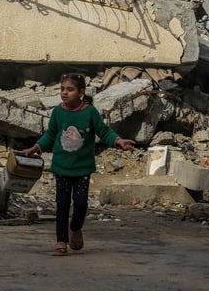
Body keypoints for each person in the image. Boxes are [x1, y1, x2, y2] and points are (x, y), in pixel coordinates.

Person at [21, 73, 135, 255]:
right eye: (62, 89)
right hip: (61, 168)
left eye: (70, 89)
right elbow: (50, 135)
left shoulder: (89, 112)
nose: (64, 93)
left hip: (82, 169)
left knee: (81, 204)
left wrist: (119, 141)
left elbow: (104, 132)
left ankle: (75, 228)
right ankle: (61, 241)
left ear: (81, 92)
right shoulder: (58, 112)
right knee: (62, 205)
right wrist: (36, 147)